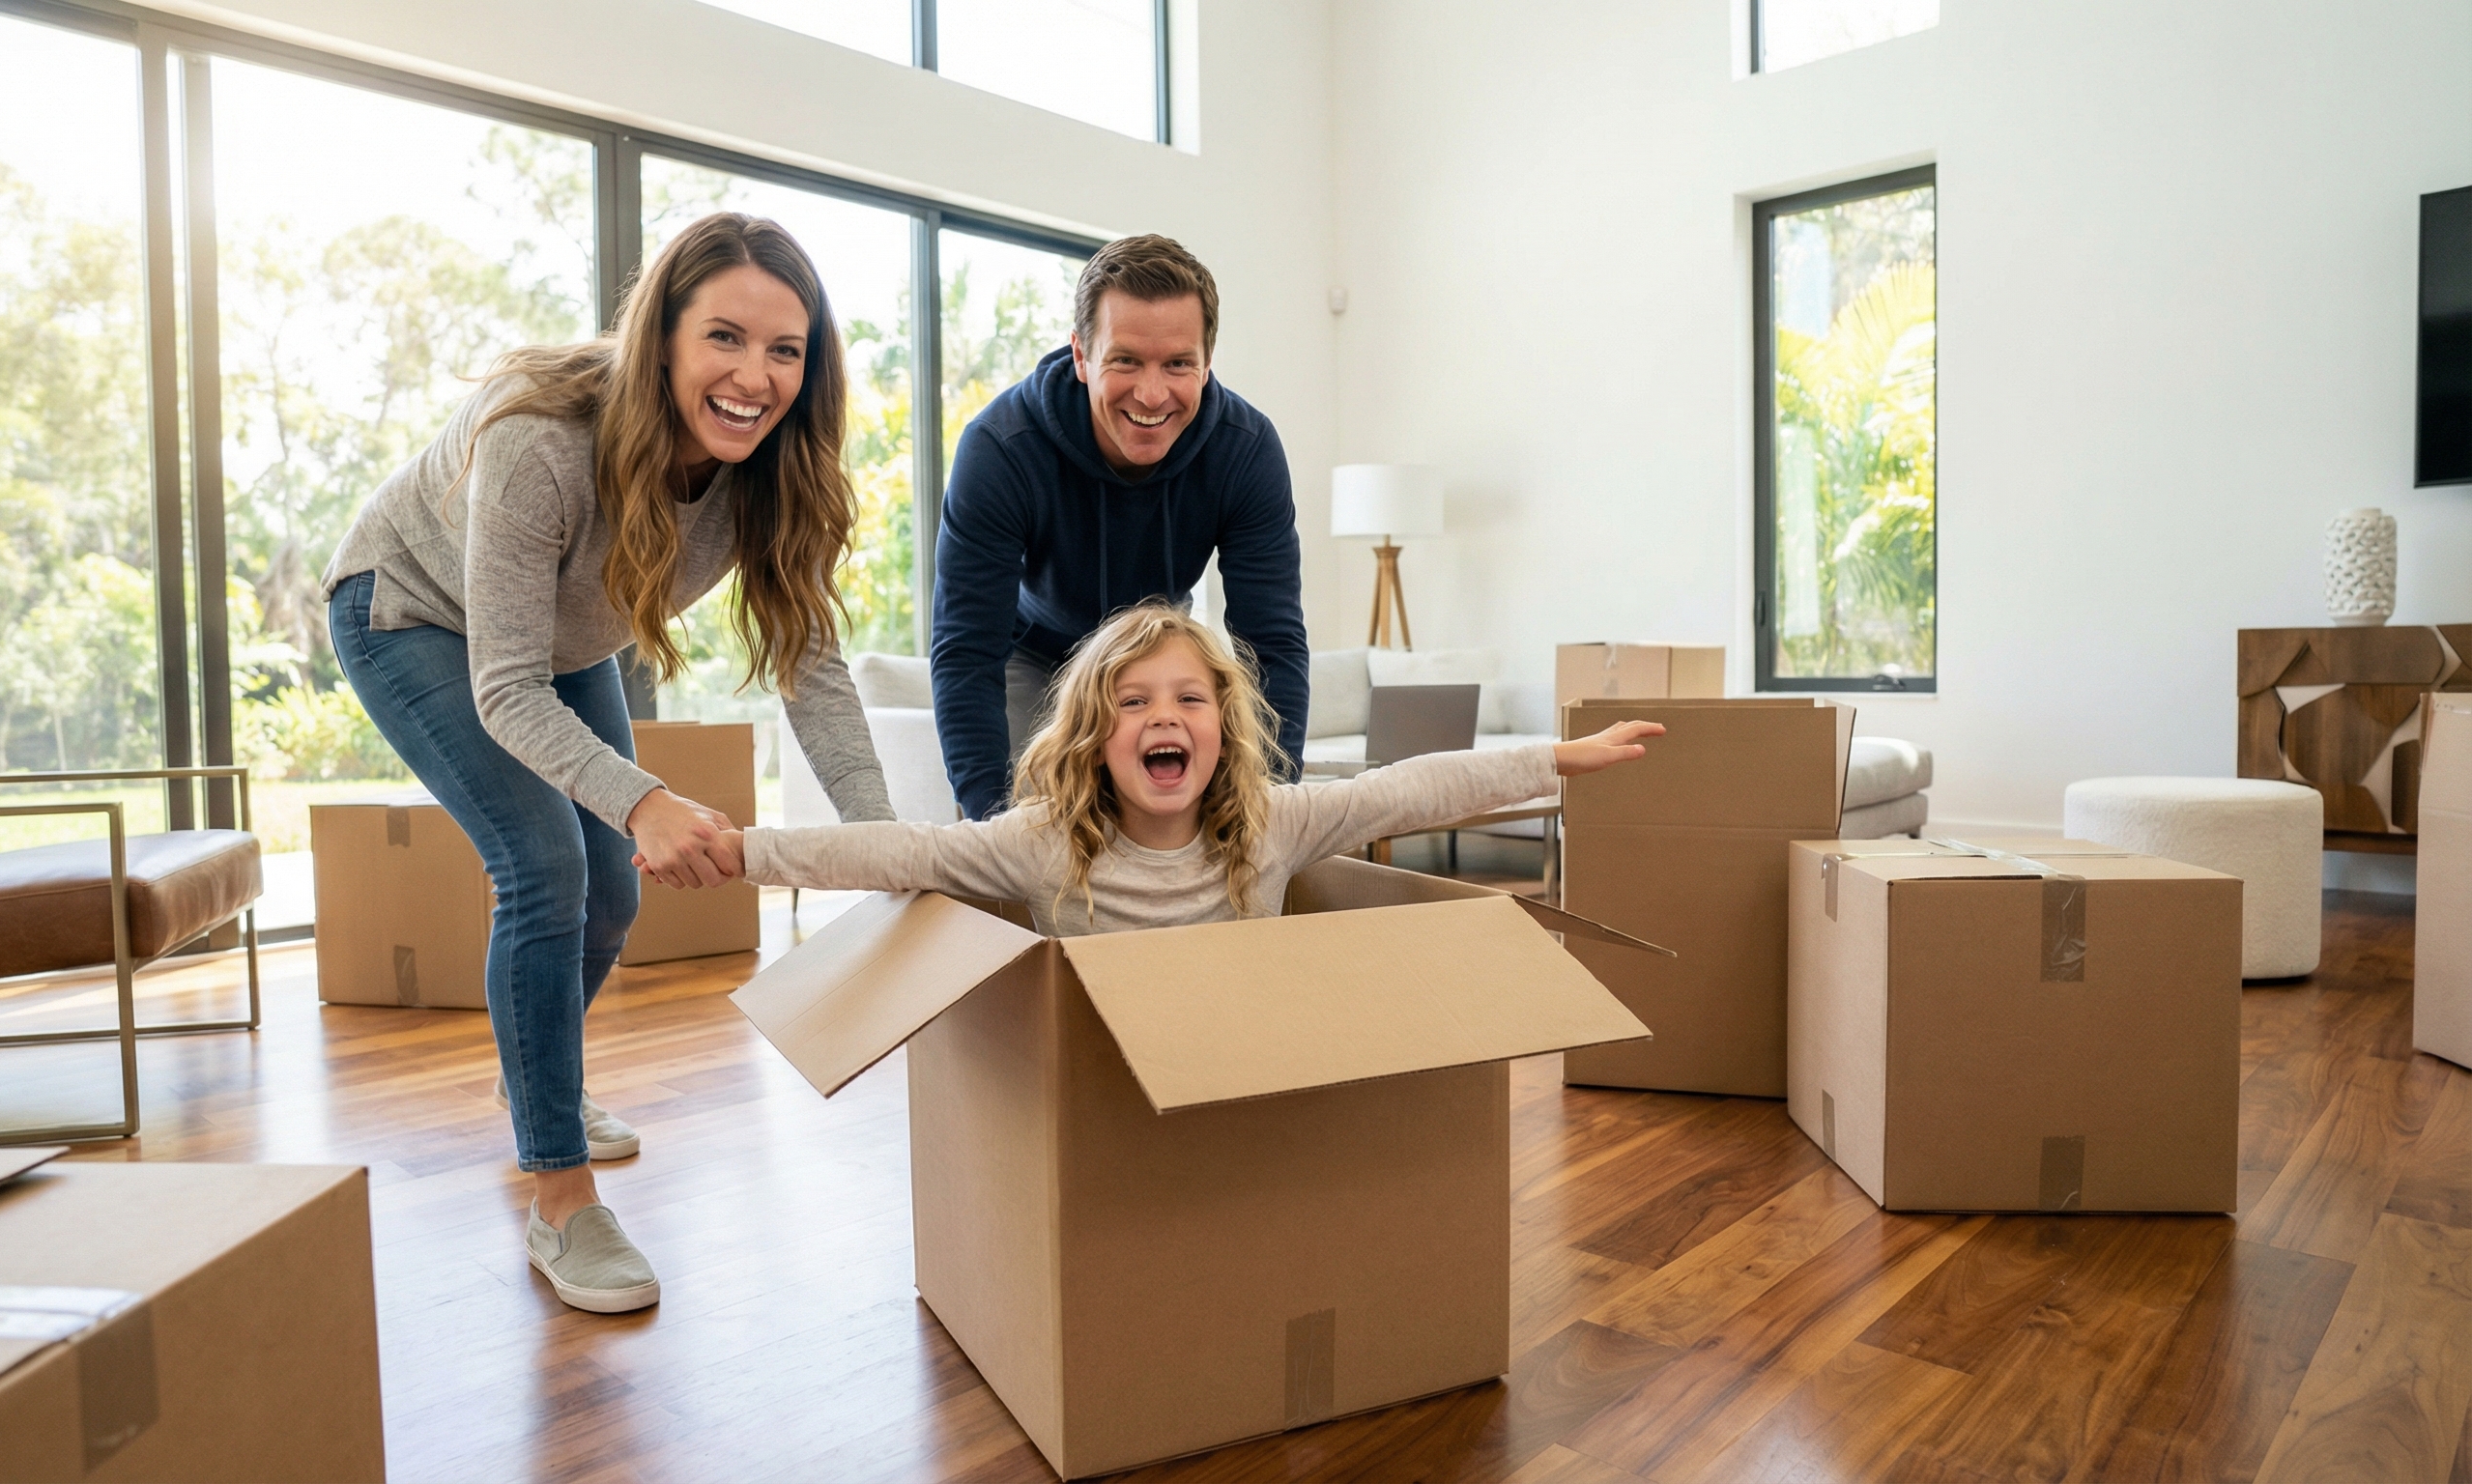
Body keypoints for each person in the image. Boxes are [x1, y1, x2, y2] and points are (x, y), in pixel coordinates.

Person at [321, 213, 895, 1315]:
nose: (754, 376)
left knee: (612, 893)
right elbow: (503, 688)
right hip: (411, 613)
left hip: (567, 640)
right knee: (546, 871)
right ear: (662, 337)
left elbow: (810, 670)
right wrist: (643, 799)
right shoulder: (541, 439)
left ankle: (536, 1073)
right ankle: (559, 1193)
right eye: (724, 338)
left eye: (787, 350)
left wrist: (879, 840)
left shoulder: (775, 472)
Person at [677, 604, 1661, 935]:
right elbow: (900, 853)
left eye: (1189, 700)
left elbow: (1410, 788)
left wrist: (1555, 760)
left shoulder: (1273, 824)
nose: (1164, 718)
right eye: (1134, 702)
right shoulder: (1039, 845)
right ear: (1094, 738)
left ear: (1222, 729)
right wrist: (744, 851)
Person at [930, 234, 1308, 824]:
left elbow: (1272, 645)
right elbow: (967, 652)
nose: (1152, 393)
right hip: (1036, 655)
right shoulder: (1000, 449)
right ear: (1081, 356)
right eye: (1125, 360)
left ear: (1207, 361)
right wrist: (992, 829)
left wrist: (1274, 807)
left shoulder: (1246, 450)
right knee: (1032, 825)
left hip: (1158, 653)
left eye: (1178, 364)